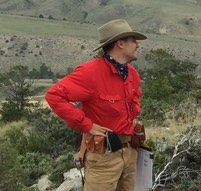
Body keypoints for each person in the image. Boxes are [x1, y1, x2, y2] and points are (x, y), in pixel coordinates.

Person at [45, 19, 147, 191]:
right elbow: (54, 96)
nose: (137, 45)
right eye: (133, 40)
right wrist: (87, 125)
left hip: (130, 153)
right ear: (120, 43)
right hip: (103, 157)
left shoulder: (133, 75)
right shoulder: (90, 72)